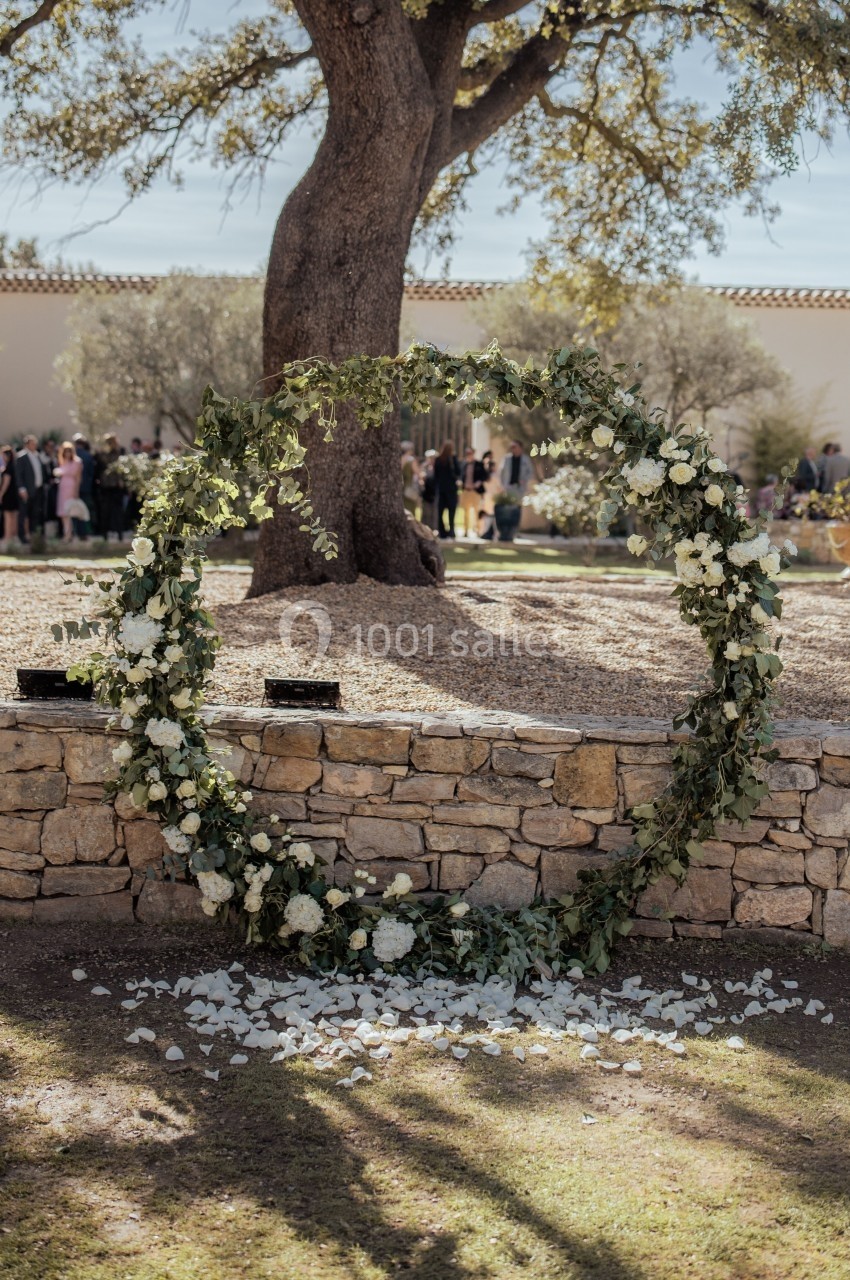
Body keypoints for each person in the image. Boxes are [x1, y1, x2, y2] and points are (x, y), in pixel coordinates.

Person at [95, 432, 126, 541]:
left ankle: (119, 534)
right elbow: (101, 467)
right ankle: (105, 535)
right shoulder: (102, 454)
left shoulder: (120, 452)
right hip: (106, 486)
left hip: (116, 486)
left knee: (117, 512)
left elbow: (121, 469)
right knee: (106, 512)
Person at [15, 434, 46, 544]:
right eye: (32, 444)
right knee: (23, 514)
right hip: (26, 490)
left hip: (37, 489)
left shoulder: (37, 456)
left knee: (35, 513)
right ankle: (22, 537)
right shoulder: (21, 457)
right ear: (27, 444)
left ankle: (34, 535)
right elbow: (18, 475)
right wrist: (21, 489)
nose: (34, 446)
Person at [54, 440, 83, 543]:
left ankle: (70, 534)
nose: (67, 453)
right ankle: (66, 533)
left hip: (71, 487)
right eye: (65, 451)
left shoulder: (77, 462)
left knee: (69, 511)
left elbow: (78, 478)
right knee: (63, 512)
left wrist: (76, 491)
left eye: (69, 451)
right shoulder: (62, 461)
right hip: (63, 486)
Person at [433, 439, 460, 540]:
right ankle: (450, 530)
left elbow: (436, 476)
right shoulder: (452, 459)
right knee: (451, 511)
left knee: (441, 511)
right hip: (450, 489)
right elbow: (458, 472)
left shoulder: (439, 459)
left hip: (442, 489)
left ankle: (443, 530)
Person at [458, 446, 487, 537]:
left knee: (476, 511)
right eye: (467, 453)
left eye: (470, 453)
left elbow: (484, 476)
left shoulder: (479, 464)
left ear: (473, 453)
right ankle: (465, 530)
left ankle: (478, 530)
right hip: (465, 491)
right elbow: (460, 476)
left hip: (475, 491)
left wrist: (478, 482)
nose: (468, 455)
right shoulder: (463, 464)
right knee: (465, 512)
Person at [73, 434, 96, 540]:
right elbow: (92, 473)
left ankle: (76, 531)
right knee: (85, 510)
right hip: (86, 488)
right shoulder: (88, 455)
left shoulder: (73, 456)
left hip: (73, 488)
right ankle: (86, 531)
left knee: (74, 509)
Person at [0, 446, 20, 549]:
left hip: (8, 494)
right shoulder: (14, 466)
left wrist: (1, 494)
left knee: (8, 516)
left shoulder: (8, 468)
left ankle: (7, 537)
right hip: (14, 494)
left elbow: (6, 483)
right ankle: (14, 536)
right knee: (14, 516)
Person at [400, 440, 422, 516]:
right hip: (409, 488)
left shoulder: (400, 459)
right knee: (410, 509)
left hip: (401, 488)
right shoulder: (411, 460)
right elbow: (418, 473)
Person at [420, 449, 437, 531]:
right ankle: (424, 528)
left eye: (433, 458)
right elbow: (419, 478)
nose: (431, 459)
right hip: (426, 492)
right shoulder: (424, 467)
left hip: (435, 492)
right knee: (425, 512)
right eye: (430, 458)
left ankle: (434, 529)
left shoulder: (438, 467)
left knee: (434, 512)